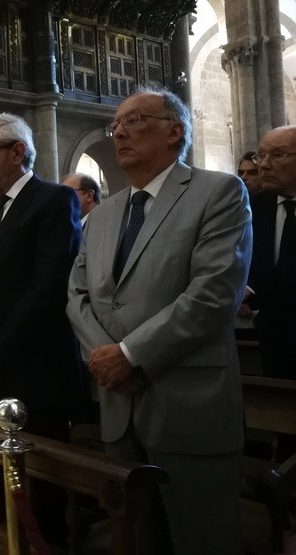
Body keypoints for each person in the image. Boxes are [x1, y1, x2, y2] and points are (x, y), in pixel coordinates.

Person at [66, 88, 252, 555]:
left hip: (188, 403)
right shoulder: (105, 213)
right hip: (118, 404)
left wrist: (130, 355)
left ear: (175, 132)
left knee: (202, 538)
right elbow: (77, 294)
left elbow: (213, 294)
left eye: (135, 120)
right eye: (116, 125)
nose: (120, 132)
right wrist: (102, 357)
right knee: (137, 540)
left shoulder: (218, 191)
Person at [0, 112, 87, 545]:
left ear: (19, 152)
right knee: (0, 484)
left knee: (42, 493)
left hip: (32, 371)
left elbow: (47, 288)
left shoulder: (52, 201)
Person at [247, 126, 296, 381]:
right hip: (274, 340)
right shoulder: (252, 208)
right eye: (260, 155)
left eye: (277, 156)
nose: (263, 165)